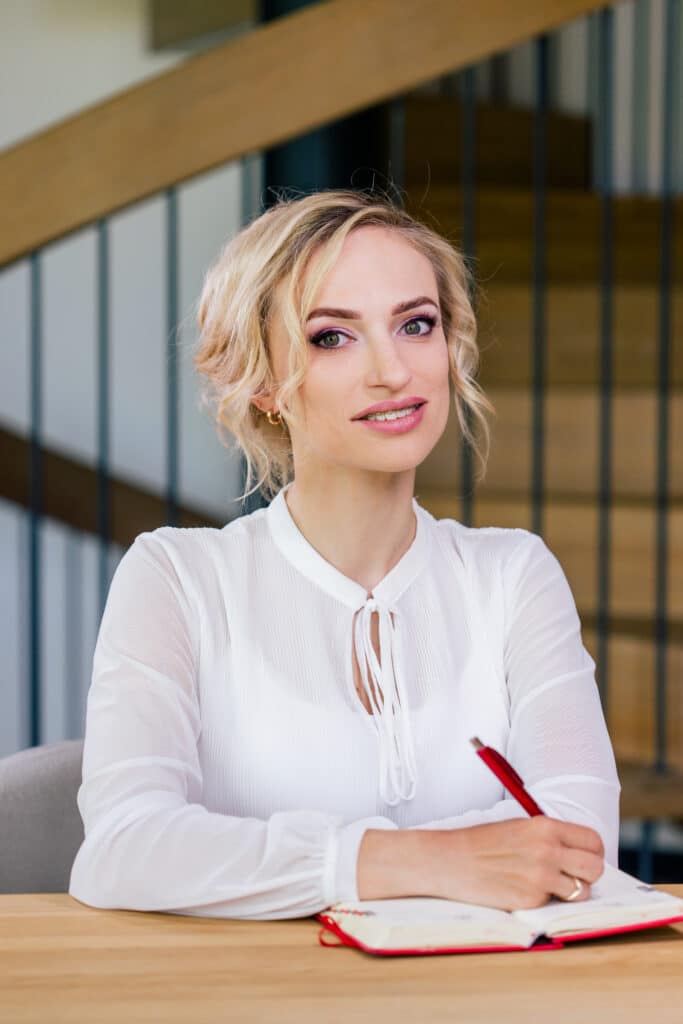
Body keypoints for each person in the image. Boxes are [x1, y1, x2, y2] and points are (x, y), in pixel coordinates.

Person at [69, 189, 619, 920]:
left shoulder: (513, 574)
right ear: (263, 383)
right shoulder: (178, 578)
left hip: (479, 980)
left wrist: (262, 862)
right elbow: (123, 849)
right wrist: (431, 860)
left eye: (415, 325)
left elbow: (581, 835)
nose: (392, 371)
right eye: (332, 337)